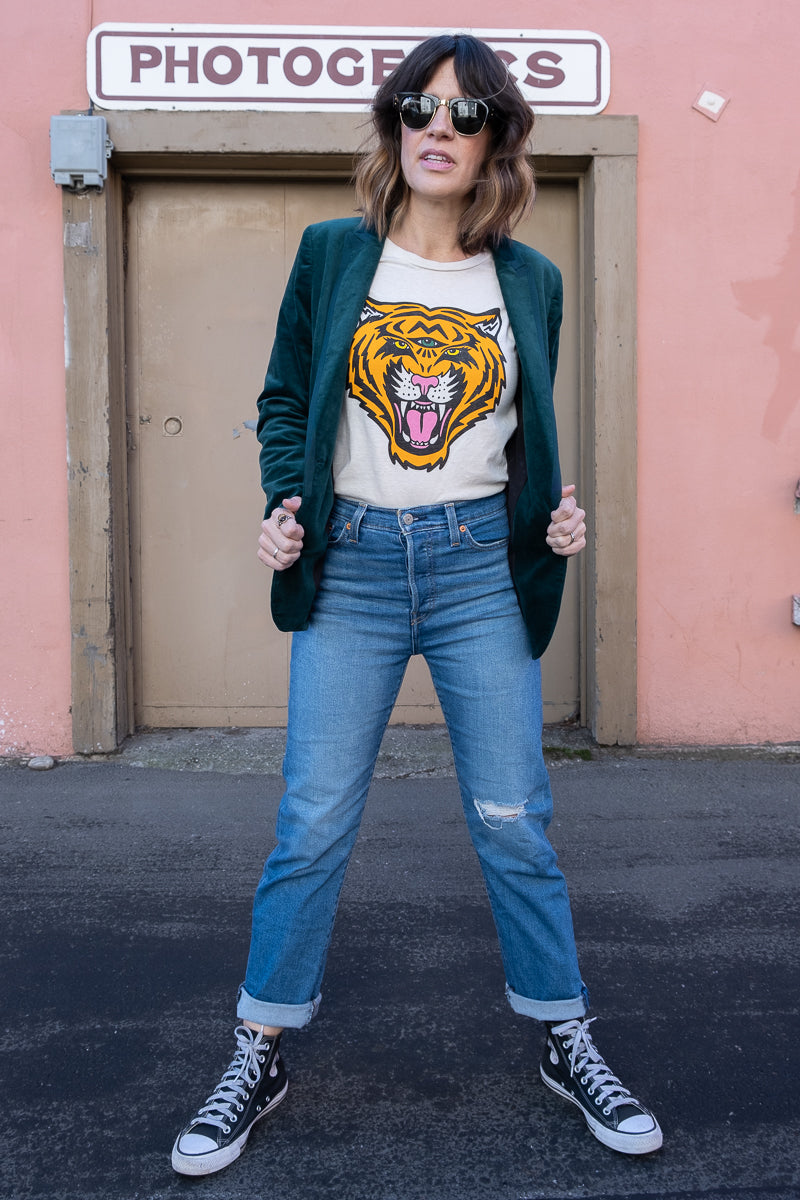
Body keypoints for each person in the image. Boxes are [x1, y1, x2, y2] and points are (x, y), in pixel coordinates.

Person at [171, 33, 661, 1177]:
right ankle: (259, 1049)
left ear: (497, 137)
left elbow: (524, 430)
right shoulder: (332, 253)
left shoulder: (526, 280)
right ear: (394, 125)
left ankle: (561, 1031)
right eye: (417, 107)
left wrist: (553, 517)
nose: (437, 127)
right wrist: (282, 501)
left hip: (475, 567)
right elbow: (286, 396)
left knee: (513, 820)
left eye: (466, 110)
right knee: (310, 823)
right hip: (351, 569)